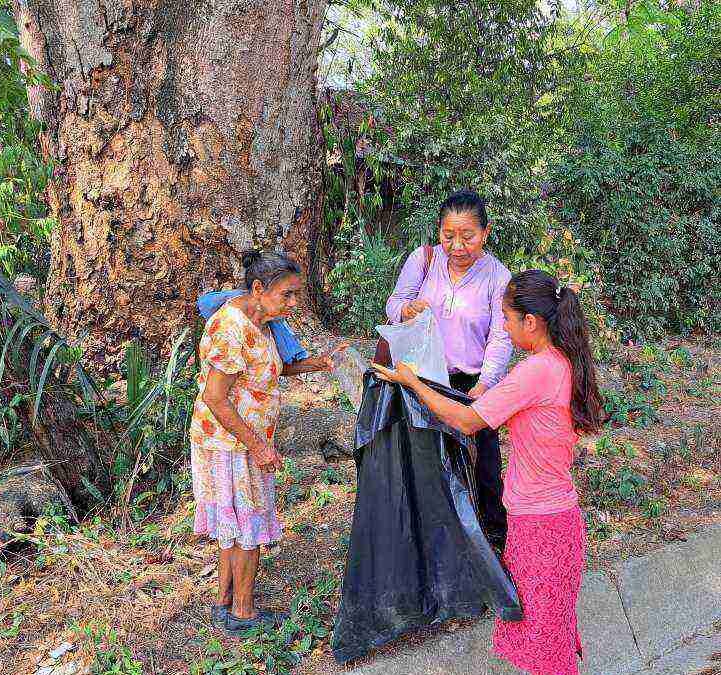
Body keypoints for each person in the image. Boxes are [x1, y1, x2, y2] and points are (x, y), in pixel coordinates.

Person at [372, 270, 604, 675]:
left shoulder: (535, 372)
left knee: (544, 646)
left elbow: (466, 421)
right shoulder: (560, 363)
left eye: (507, 319)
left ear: (530, 322)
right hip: (557, 519)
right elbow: (485, 402)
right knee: (551, 635)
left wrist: (412, 382)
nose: (504, 327)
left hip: (540, 527)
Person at [190, 249, 345, 634]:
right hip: (230, 444)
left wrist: (319, 362)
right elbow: (215, 397)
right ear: (258, 288)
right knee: (248, 529)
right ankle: (243, 613)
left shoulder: (263, 322)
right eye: (286, 295)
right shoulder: (230, 327)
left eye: (297, 295)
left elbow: (271, 366)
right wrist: (258, 446)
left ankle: (224, 602)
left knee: (237, 527)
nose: (293, 304)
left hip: (241, 440)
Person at [383, 189, 511, 547]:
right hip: (424, 377)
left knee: (483, 462)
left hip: (472, 383)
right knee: (429, 459)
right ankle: (432, 538)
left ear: (485, 233)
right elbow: (394, 303)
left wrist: (485, 385)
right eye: (448, 235)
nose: (457, 246)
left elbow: (501, 337)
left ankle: (492, 539)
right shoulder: (423, 260)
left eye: (468, 236)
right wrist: (404, 310)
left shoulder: (497, 277)